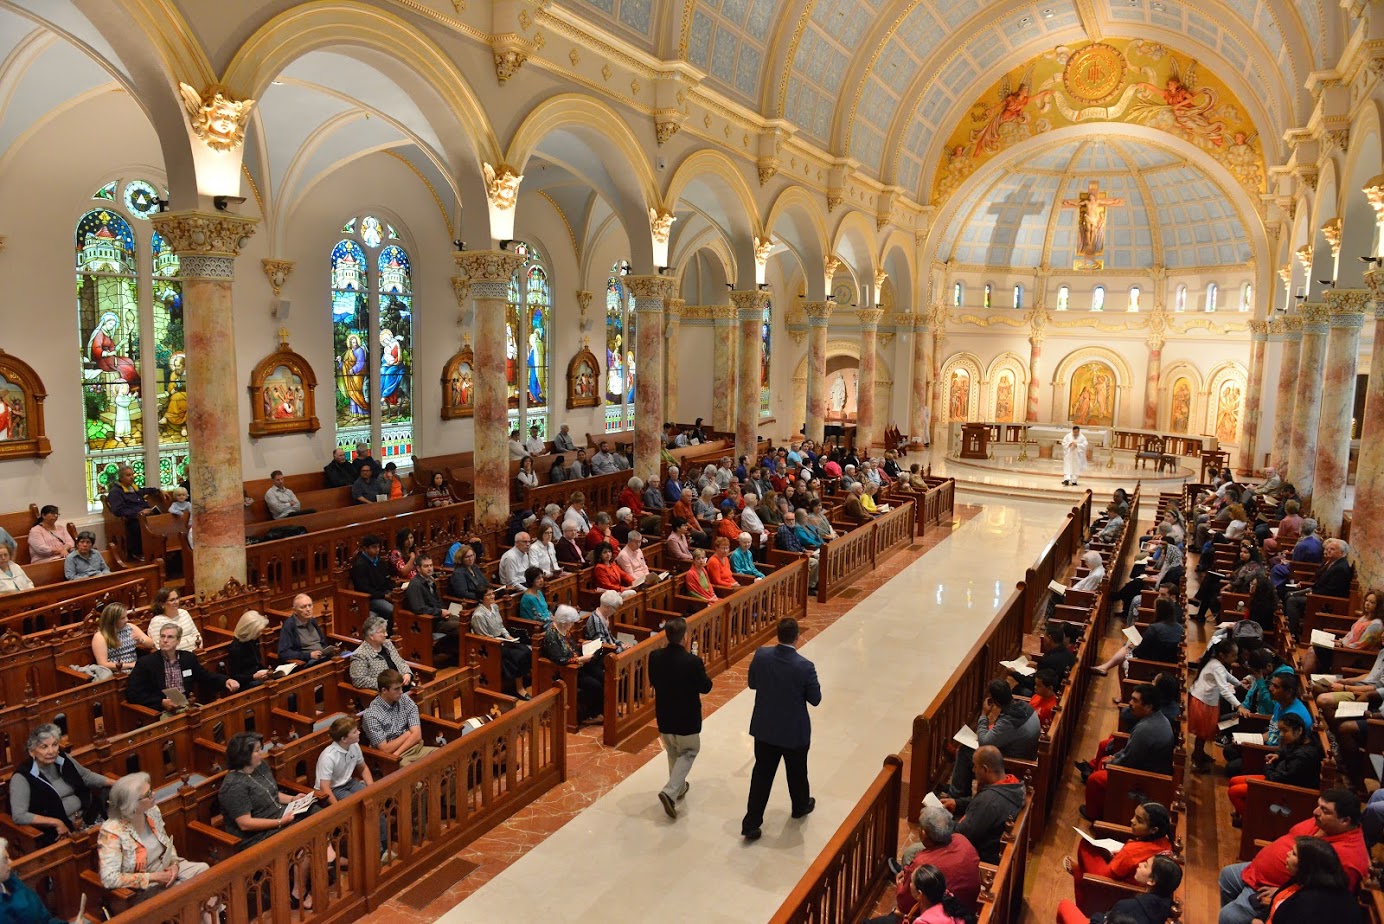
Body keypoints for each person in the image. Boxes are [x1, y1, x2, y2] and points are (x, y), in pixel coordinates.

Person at [1217, 789, 1368, 924]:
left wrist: (1281, 892)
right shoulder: (1326, 822)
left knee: (1229, 916)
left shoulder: (1348, 858)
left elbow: (1328, 899)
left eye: (1325, 810)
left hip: (1272, 888)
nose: (1315, 812)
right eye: (1318, 805)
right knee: (1227, 875)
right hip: (1258, 873)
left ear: (1345, 821)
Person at [742, 617, 821, 841]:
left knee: (762, 776)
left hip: (765, 728)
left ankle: (751, 823)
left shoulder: (761, 655)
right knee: (797, 772)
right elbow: (815, 699)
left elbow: (752, 683)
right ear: (797, 637)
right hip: (793, 731)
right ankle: (800, 805)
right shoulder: (805, 666)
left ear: (777, 635)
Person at [97, 773, 214, 921]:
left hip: (165, 870)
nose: (154, 794)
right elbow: (109, 879)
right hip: (142, 887)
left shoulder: (152, 812)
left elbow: (167, 844)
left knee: (204, 871)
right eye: (148, 794)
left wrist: (174, 864)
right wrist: (154, 877)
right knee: (187, 890)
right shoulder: (111, 831)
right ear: (132, 805)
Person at [647, 616, 712, 820]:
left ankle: (679, 788)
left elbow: (653, 680)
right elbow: (706, 687)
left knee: (673, 751)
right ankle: (670, 791)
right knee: (690, 751)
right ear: (685, 637)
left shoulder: (655, 656)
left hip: (665, 715)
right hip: (687, 718)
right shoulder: (692, 661)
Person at [1081, 684, 1173, 821]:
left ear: (1148, 707)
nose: (1130, 703)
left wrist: (1112, 762)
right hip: (1147, 766)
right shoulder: (1158, 718)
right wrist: (1115, 757)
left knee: (1095, 780)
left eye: (1135, 700)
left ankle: (1095, 814)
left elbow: (1130, 761)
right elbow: (1130, 751)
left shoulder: (1145, 730)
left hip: (1145, 778)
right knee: (1104, 757)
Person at [10, 724, 110, 847]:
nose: (51, 751)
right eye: (44, 747)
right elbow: (19, 816)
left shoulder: (62, 758)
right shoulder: (22, 777)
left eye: (55, 745)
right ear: (32, 751)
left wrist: (119, 783)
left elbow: (86, 776)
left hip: (88, 817)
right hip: (59, 833)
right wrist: (55, 822)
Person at [874, 807, 981, 922]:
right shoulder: (962, 839)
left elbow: (904, 906)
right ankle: (907, 872)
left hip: (946, 913)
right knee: (911, 852)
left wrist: (900, 885)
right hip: (967, 908)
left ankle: (907, 876)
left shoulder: (923, 864)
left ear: (924, 833)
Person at [949, 678, 1039, 798]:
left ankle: (955, 795)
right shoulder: (1025, 707)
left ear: (995, 702)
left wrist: (983, 715)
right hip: (1025, 752)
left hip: (1014, 762)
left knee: (965, 751)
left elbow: (984, 742)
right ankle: (959, 790)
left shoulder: (1009, 721)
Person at [1226, 712, 1321, 822]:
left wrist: (1268, 764)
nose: (1281, 734)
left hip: (1282, 790)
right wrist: (1278, 755)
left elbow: (1277, 778)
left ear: (1299, 730)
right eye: (1280, 730)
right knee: (1233, 780)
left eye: (1284, 731)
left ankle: (1252, 822)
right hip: (1276, 778)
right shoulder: (1301, 741)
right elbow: (1285, 749)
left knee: (1234, 792)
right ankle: (1246, 813)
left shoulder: (1304, 756)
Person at [938, 745, 1024, 864]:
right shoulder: (1012, 784)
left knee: (915, 852)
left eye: (975, 766)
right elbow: (980, 806)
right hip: (986, 839)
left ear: (985, 769)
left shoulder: (988, 802)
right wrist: (957, 803)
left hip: (980, 857)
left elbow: (960, 835)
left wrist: (942, 819)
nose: (973, 770)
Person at [127, 624, 237, 713]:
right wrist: (161, 702)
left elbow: (205, 676)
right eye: (162, 636)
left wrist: (226, 680)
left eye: (170, 637)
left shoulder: (188, 658)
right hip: (162, 711)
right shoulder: (146, 663)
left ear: (178, 641)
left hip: (187, 706)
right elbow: (133, 693)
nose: (165, 640)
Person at [1259, 836, 1365, 923]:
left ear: (1307, 865)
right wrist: (1259, 919)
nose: (1287, 854)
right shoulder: (1302, 880)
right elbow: (1272, 908)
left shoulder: (1311, 906)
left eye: (1294, 854)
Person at [1056, 854, 1182, 924]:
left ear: (1152, 881)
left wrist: (1095, 918)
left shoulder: (1128, 907)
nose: (1139, 864)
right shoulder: (1167, 904)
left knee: (1064, 905)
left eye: (1145, 865)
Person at [1188, 637, 1245, 770]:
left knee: (1203, 734)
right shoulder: (1217, 667)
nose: (1236, 658)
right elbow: (1224, 690)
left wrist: (1240, 684)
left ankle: (1200, 753)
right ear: (1222, 655)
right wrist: (1239, 706)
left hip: (1206, 700)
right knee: (1201, 734)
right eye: (1233, 655)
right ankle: (1196, 759)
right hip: (1203, 702)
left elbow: (1228, 677)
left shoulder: (1216, 663)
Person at [1094, 595, 1184, 676]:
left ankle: (1105, 667)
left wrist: (1134, 647)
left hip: (1148, 666)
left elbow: (1140, 652)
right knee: (1129, 645)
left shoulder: (1155, 628)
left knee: (1127, 648)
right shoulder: (1180, 628)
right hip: (1171, 668)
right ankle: (1105, 667)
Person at [542, 605, 603, 721]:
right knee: (595, 685)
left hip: (577, 664)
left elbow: (571, 648)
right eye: (571, 623)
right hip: (566, 671)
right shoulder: (551, 635)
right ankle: (592, 712)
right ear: (564, 622)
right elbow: (559, 659)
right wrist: (580, 659)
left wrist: (582, 646)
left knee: (602, 675)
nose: (572, 625)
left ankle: (600, 710)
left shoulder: (565, 630)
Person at [362, 669, 436, 765]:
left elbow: (417, 735)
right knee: (415, 773)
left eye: (401, 688)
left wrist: (397, 752)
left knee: (445, 756)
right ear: (384, 690)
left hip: (416, 748)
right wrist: (408, 734)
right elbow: (385, 749)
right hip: (393, 759)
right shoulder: (372, 715)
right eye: (396, 689)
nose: (401, 692)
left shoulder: (404, 699)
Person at [470, 587, 531, 698]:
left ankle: (523, 681)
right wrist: (499, 642)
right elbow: (483, 636)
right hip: (491, 645)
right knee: (518, 655)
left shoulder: (495, 607)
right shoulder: (478, 615)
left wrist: (508, 636)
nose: (492, 596)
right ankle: (519, 688)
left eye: (492, 593)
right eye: (488, 595)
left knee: (525, 649)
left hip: (502, 639)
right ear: (481, 598)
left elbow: (501, 626)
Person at [1284, 538, 1355, 634]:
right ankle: (1289, 625)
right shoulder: (1332, 563)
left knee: (1292, 601)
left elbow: (1331, 591)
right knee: (1289, 594)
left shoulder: (1341, 568)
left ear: (1342, 553)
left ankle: (1293, 631)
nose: (1328, 551)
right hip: (1316, 593)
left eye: (1332, 549)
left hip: (1326, 601)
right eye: (1328, 548)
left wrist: (1312, 594)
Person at [106, 465, 160, 558]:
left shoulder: (133, 487)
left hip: (145, 514)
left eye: (132, 474)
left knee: (160, 520)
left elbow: (144, 491)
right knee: (137, 527)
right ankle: (138, 552)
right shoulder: (116, 492)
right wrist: (140, 512)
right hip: (132, 518)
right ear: (121, 477)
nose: (132, 477)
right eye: (128, 475)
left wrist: (158, 491)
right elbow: (118, 510)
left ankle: (159, 548)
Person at [349, 615, 413, 690]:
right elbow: (359, 680)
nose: (386, 634)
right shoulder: (360, 655)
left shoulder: (387, 644)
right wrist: (388, 683)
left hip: (402, 687)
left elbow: (400, 662)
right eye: (382, 632)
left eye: (385, 631)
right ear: (371, 636)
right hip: (385, 694)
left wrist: (407, 673)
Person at [91, 602, 153, 674]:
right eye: (122, 618)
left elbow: (151, 644)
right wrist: (130, 665)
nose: (126, 620)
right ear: (113, 620)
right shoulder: (100, 636)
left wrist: (141, 640)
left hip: (136, 667)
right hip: (117, 672)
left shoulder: (130, 627)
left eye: (126, 616)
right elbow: (103, 664)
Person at [350, 534, 396, 629]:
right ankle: (390, 634)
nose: (377, 549)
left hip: (384, 594)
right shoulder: (360, 565)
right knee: (393, 610)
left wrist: (393, 590)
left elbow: (387, 579)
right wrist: (384, 596)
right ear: (365, 549)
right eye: (374, 547)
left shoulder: (380, 561)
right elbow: (363, 588)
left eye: (378, 546)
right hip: (370, 599)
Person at [279, 593, 332, 663]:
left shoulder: (312, 621)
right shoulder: (289, 625)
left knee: (347, 654)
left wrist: (327, 650)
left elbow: (322, 642)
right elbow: (283, 653)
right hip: (309, 661)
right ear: (295, 610)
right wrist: (308, 655)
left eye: (310, 605)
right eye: (303, 607)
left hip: (323, 656)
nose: (308, 609)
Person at [146, 587, 202, 651]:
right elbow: (160, 647)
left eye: (177, 598)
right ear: (162, 604)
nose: (176, 602)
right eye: (172, 600)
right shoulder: (157, 622)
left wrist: (199, 648)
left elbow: (196, 634)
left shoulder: (184, 613)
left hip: (196, 652)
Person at [227, 610, 271, 689]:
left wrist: (267, 671)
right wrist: (253, 677)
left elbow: (257, 664)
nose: (260, 634)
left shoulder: (253, 641)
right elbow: (235, 676)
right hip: (246, 684)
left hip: (258, 678)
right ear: (250, 631)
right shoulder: (236, 648)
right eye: (257, 632)